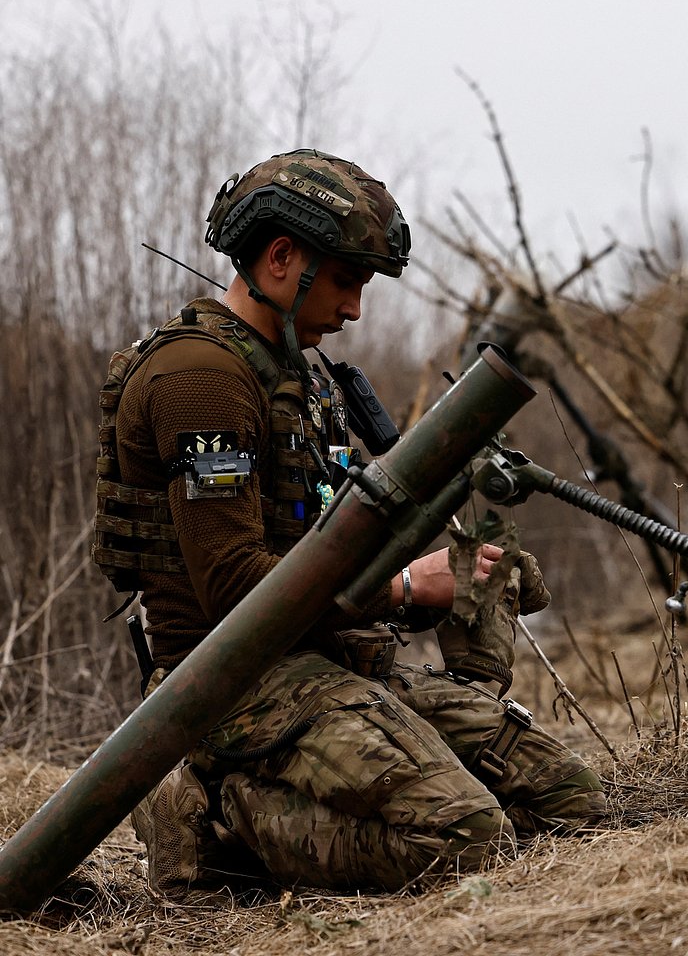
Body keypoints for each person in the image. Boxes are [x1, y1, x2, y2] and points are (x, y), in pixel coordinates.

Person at [94, 149, 606, 899]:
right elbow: (236, 587)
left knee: (568, 797)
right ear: (279, 259)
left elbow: (332, 538)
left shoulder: (304, 372)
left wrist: (458, 573)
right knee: (464, 837)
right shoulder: (199, 379)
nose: (357, 308)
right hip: (229, 683)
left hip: (330, 654)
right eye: (346, 280)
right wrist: (405, 589)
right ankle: (215, 808)